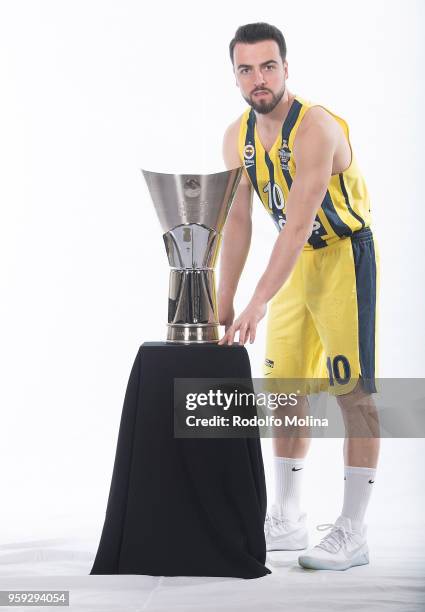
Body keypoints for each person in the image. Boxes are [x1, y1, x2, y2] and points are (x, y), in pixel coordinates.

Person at [217, 22, 380, 571]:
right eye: (246, 69)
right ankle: (287, 518)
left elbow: (297, 224)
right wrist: (224, 302)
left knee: (352, 391)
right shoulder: (235, 137)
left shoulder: (317, 128)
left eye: (268, 66)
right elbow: (236, 224)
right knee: (284, 388)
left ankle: (353, 531)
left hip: (340, 255)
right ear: (234, 75)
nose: (258, 79)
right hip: (294, 267)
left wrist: (257, 301)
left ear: (286, 68)